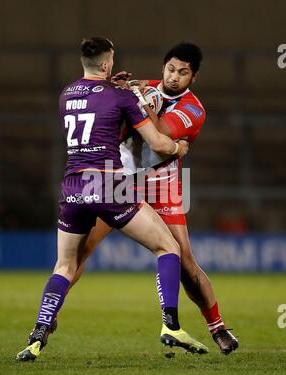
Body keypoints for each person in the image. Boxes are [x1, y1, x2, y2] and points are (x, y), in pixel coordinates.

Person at [16, 37, 209, 361]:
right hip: (109, 186)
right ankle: (170, 326)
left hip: (74, 187)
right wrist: (179, 148)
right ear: (107, 64)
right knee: (168, 247)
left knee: (65, 265)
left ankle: (38, 333)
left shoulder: (66, 94)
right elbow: (160, 143)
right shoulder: (121, 97)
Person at [58, 42, 239, 355]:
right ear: (164, 66)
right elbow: (110, 110)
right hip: (120, 182)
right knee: (81, 249)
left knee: (184, 263)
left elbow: (163, 135)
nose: (173, 77)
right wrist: (114, 90)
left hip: (162, 184)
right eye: (170, 69)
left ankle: (217, 326)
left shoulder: (194, 108)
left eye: (183, 72)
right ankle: (50, 316)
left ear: (193, 77)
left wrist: (135, 98)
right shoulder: (146, 87)